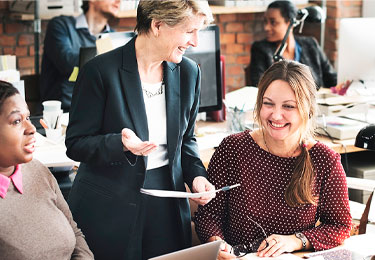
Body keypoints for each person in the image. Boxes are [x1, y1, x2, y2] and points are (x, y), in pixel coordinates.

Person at [65, 1, 216, 259]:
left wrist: (197, 177)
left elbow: (187, 140)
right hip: (110, 205)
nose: (195, 42)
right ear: (157, 25)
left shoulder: (189, 73)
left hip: (167, 203)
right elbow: (76, 143)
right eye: (189, 31)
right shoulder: (99, 71)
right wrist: (119, 143)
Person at [194, 60, 352, 259]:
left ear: (308, 110)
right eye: (268, 104)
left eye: (289, 106)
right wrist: (217, 245)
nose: (276, 115)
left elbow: (341, 226)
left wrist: (295, 241)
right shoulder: (232, 148)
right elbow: (209, 214)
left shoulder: (324, 160)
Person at [0, 80, 93, 260]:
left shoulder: (37, 170)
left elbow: (75, 234)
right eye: (17, 121)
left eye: (28, 118)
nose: (31, 129)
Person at [249, 0, 350, 91]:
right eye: (265, 22)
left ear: (291, 23)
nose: (266, 27)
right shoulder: (260, 49)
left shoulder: (311, 44)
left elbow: (332, 79)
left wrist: (347, 84)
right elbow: (259, 88)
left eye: (273, 22)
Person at [40, 0, 120, 111]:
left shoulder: (114, 37)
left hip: (99, 110)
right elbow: (67, 63)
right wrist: (111, 58)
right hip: (63, 112)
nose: (119, 1)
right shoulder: (61, 26)